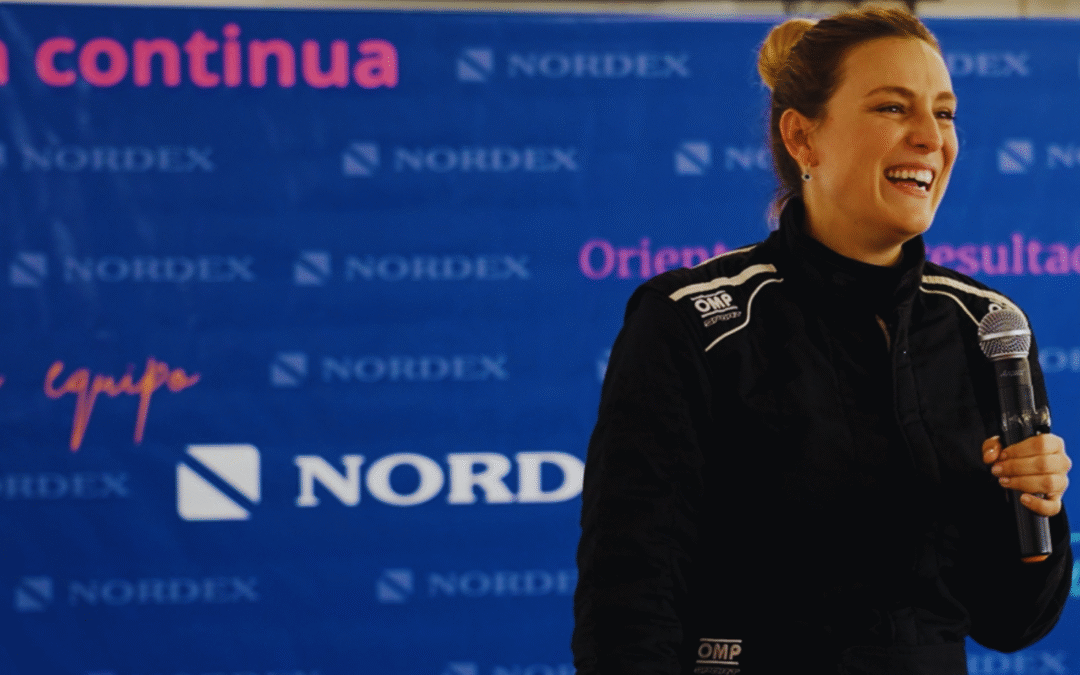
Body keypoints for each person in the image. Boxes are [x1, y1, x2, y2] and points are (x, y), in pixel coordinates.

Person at [572, 8, 1072, 675]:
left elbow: (1012, 620)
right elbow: (627, 602)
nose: (931, 137)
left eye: (945, 113)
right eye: (892, 107)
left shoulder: (986, 325)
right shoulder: (691, 321)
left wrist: (1036, 508)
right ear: (803, 138)